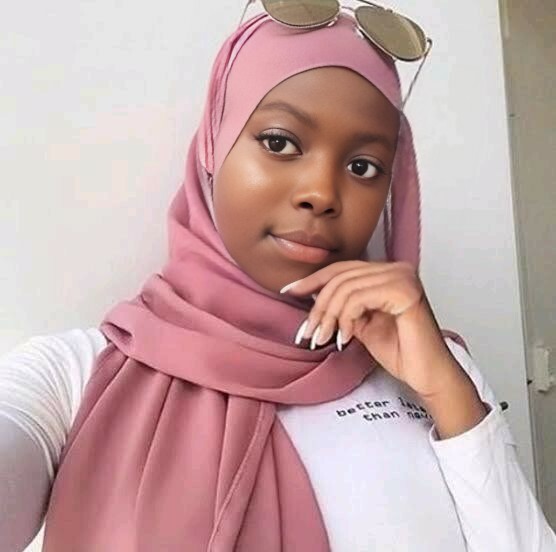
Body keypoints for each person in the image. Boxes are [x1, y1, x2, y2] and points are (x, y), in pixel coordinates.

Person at [1, 4, 556, 551]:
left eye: (363, 166)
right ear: (214, 143)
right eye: (280, 142)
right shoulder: (77, 378)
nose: (321, 192)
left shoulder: (436, 370)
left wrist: (447, 393)